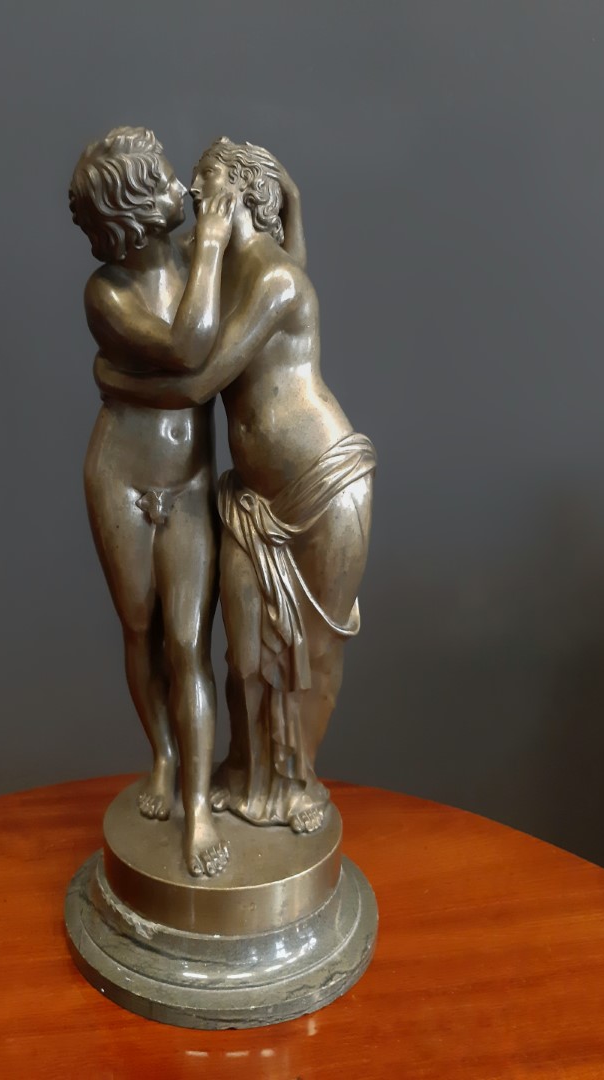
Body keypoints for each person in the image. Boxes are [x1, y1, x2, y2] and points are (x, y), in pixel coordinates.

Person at [94, 137, 376, 835]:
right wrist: (291, 201)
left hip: (322, 481)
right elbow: (280, 263)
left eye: (208, 178)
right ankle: (250, 778)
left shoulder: (266, 280)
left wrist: (111, 379)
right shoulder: (222, 266)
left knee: (309, 649)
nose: (195, 192)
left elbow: (197, 381)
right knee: (247, 653)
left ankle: (297, 785)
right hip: (253, 494)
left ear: (243, 192)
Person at [69, 126, 234, 876]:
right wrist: (211, 246)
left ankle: (198, 811)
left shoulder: (204, 258)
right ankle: (163, 756)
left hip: (187, 480)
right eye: (163, 182)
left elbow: (196, 368)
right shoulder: (107, 293)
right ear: (131, 213)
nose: (180, 190)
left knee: (188, 645)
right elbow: (187, 348)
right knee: (140, 630)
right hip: (120, 475)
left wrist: (120, 380)